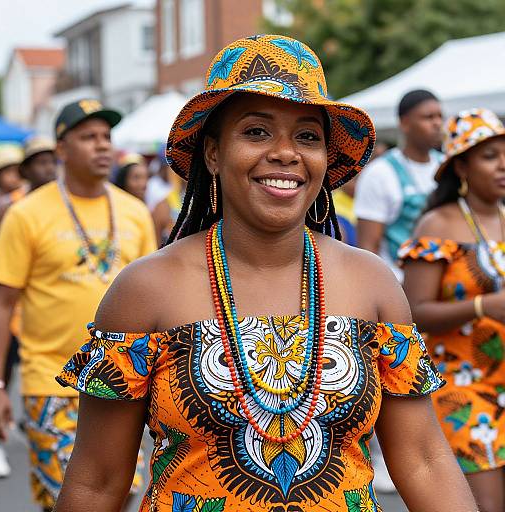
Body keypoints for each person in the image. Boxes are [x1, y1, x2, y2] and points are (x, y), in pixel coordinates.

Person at [53, 36, 476, 511]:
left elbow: (423, 460)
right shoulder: (145, 291)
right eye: (256, 132)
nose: (285, 153)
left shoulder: (372, 283)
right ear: (212, 154)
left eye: (307, 136)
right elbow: (98, 481)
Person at [0, 99, 157, 511]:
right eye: (88, 137)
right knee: (69, 497)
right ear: (62, 149)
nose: (102, 146)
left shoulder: (135, 212)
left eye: (106, 137)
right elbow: (1, 303)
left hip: (121, 383)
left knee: (127, 491)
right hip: (50, 382)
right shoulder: (25, 214)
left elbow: (154, 302)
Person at [401, 108, 505, 512]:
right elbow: (413, 312)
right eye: (489, 155)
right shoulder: (436, 225)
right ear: (460, 165)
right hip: (462, 388)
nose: (502, 165)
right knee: (485, 505)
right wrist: (482, 305)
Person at [0, 135, 57, 479]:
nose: (47, 167)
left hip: (35, 318)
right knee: (3, 373)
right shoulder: (12, 210)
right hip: (11, 311)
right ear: (26, 170)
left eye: (51, 160)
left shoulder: (65, 207)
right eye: (39, 162)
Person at [355, 89, 443, 280]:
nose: (437, 123)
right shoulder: (380, 173)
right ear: (404, 123)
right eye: (428, 117)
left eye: (439, 116)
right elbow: (368, 246)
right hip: (398, 283)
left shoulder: (447, 167)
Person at [0, 135, 57, 242]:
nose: (50, 168)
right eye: (42, 162)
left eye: (54, 162)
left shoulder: (66, 205)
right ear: (25, 170)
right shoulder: (9, 209)